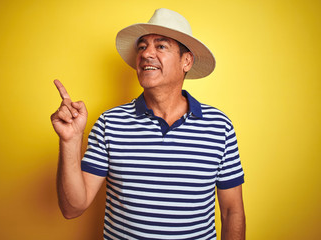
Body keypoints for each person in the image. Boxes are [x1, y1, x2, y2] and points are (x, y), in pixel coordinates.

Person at [51, 8, 245, 240]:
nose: (146, 54)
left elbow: (232, 211)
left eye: (160, 46)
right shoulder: (109, 123)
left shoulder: (219, 127)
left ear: (186, 61)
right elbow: (73, 208)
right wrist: (70, 141)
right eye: (142, 47)